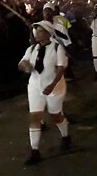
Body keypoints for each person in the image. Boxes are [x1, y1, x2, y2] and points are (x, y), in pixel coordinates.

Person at [18, 20, 70, 165]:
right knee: (35, 117)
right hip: (35, 87)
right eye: (36, 31)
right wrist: (24, 66)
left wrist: (52, 85)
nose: (37, 34)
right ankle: (35, 151)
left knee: (56, 115)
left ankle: (65, 136)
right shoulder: (32, 49)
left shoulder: (57, 48)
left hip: (54, 87)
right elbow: (21, 63)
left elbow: (61, 68)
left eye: (40, 31)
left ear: (48, 33)